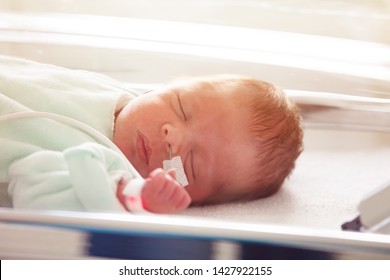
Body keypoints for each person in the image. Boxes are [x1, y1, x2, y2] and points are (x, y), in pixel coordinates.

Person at [0, 55, 303, 214]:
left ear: (194, 201)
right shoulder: (117, 93)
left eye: (192, 163)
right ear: (157, 88)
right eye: (181, 106)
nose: (173, 137)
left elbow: (37, 192)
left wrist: (128, 197)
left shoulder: (110, 174)